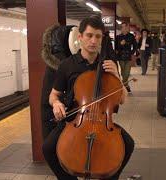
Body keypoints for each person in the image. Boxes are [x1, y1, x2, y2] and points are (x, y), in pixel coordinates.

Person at [42, 16, 135, 180]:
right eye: (89, 35)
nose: (93, 41)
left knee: (128, 144)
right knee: (48, 148)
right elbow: (53, 95)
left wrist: (117, 76)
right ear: (80, 37)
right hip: (74, 118)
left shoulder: (108, 65)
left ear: (102, 38)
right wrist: (56, 104)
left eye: (98, 36)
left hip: (103, 120)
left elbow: (122, 99)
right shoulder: (67, 65)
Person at [115, 22, 137, 93]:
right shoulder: (118, 37)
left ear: (127, 28)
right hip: (121, 57)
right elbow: (116, 47)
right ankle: (126, 86)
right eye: (122, 27)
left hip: (128, 57)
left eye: (125, 27)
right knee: (123, 72)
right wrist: (121, 44)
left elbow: (135, 46)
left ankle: (124, 85)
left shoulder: (131, 36)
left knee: (127, 73)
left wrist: (132, 52)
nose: (123, 28)